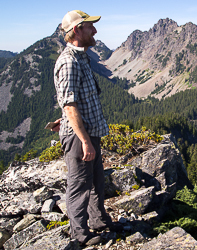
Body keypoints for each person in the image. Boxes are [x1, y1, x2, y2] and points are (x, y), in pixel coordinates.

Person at [53, 10, 119, 246]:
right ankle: (79, 234)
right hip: (80, 137)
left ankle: (99, 221)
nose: (95, 30)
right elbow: (69, 104)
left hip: (89, 132)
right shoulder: (69, 61)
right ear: (76, 30)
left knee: (96, 181)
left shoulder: (81, 57)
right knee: (79, 184)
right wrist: (84, 141)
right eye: (90, 26)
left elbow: (76, 100)